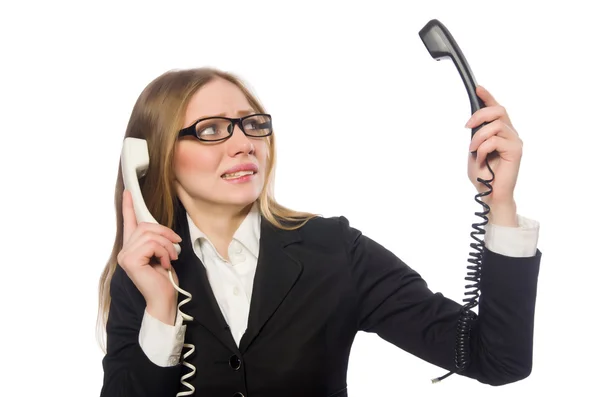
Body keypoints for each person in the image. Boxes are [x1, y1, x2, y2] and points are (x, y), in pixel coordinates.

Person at [97, 67, 542, 397]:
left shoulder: (335, 251)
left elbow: (496, 357)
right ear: (153, 155)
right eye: (211, 130)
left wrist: (499, 204)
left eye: (252, 124)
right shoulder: (144, 272)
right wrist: (161, 308)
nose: (243, 143)